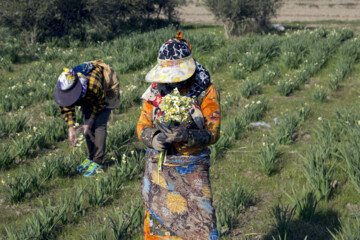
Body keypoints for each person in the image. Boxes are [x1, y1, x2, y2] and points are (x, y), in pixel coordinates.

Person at [137, 31, 221, 240]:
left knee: (202, 225)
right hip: (160, 171)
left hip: (192, 171)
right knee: (160, 228)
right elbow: (142, 125)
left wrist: (187, 135)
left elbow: (213, 132)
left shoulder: (205, 91)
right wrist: (154, 138)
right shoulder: (155, 91)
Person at [54, 60, 120, 177]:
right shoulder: (65, 86)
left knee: (99, 125)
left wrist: (91, 121)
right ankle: (91, 157)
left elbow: (99, 105)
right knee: (86, 126)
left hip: (105, 91)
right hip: (87, 95)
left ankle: (98, 161)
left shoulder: (94, 86)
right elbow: (66, 107)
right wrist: (71, 127)